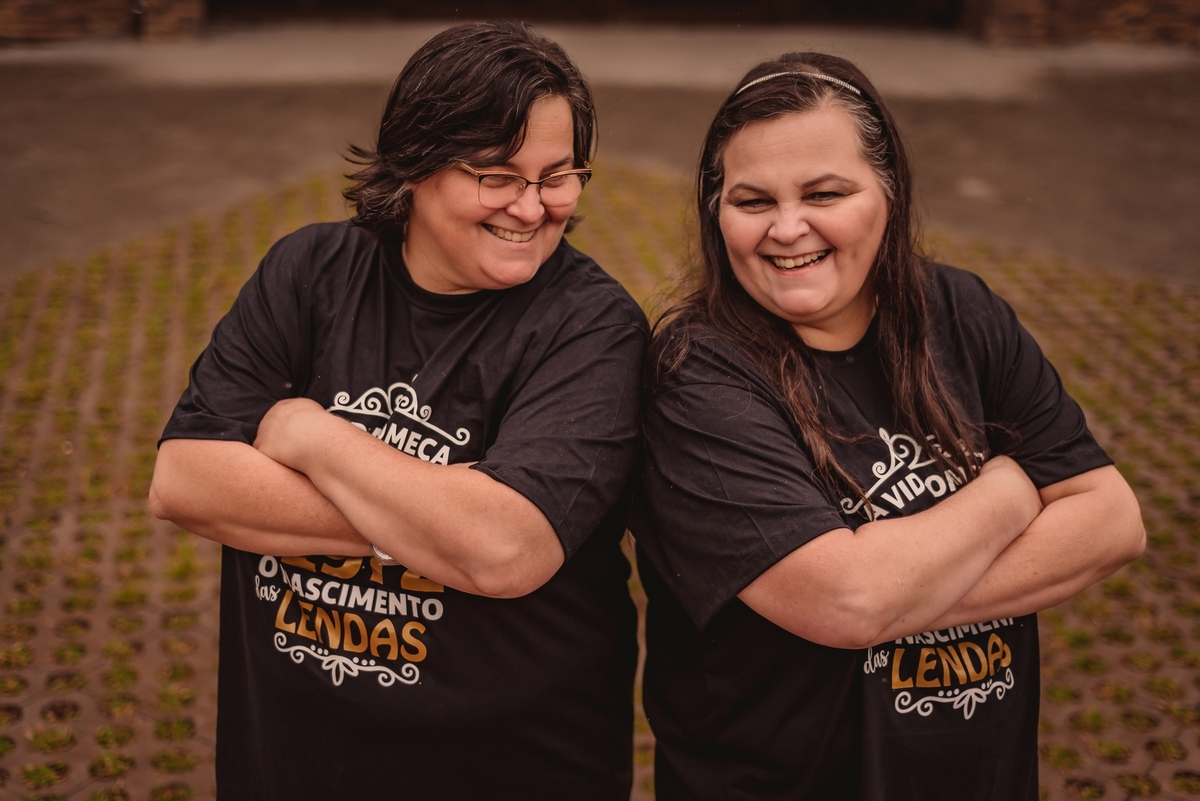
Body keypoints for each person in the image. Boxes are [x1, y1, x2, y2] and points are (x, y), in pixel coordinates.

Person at [149, 21, 647, 800]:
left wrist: (306, 432)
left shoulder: (592, 327)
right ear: (414, 165)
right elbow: (183, 479)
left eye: (558, 175)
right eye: (496, 174)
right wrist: (445, 514)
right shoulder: (309, 273)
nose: (531, 206)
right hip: (294, 757)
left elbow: (506, 549)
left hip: (510, 766)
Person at [631, 51, 1145, 801]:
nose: (786, 228)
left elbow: (1113, 522)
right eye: (751, 201)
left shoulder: (961, 314)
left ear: (889, 192)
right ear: (716, 213)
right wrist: (1011, 489)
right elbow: (847, 600)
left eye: (824, 192)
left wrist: (892, 587)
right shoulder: (695, 379)